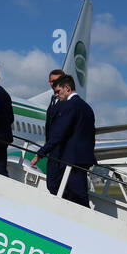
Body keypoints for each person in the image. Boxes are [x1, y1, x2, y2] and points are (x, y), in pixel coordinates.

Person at [32, 74, 95, 206]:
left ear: (67, 88)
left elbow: (59, 134)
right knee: (78, 196)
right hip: (82, 159)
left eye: (58, 91)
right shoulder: (87, 107)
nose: (57, 95)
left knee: (71, 194)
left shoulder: (69, 106)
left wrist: (40, 153)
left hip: (71, 159)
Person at [43, 68, 63, 145]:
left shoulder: (68, 100)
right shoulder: (53, 100)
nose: (54, 83)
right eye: (51, 81)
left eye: (57, 81)